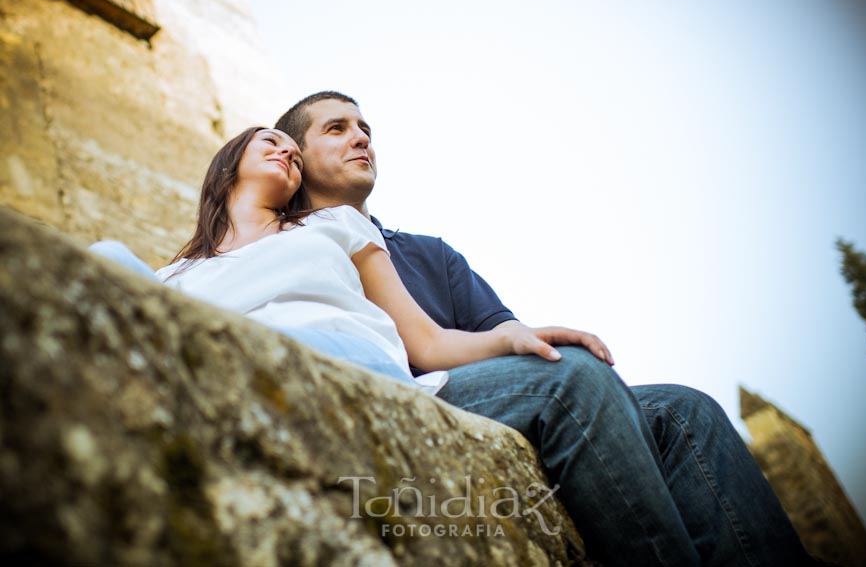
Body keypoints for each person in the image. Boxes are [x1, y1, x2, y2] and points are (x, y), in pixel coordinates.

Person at [274, 91, 814, 566]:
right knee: (573, 379)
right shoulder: (286, 245)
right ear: (296, 156)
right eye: (337, 128)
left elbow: (505, 334)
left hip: (488, 392)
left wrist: (530, 339)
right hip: (402, 394)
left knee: (684, 409)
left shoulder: (430, 253)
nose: (361, 138)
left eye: (366, 128)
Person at [92, 126, 610, 396]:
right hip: (228, 358)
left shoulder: (334, 224)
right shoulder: (175, 276)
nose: (287, 154)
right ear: (228, 167)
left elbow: (425, 342)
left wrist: (510, 335)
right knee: (107, 259)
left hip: (344, 358)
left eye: (296, 155)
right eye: (270, 144)